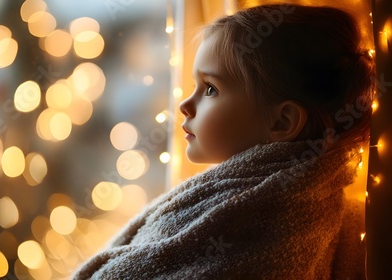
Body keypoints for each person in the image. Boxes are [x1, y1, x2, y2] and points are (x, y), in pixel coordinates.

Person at [73, 4, 373, 279]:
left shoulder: (263, 223)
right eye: (195, 85)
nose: (185, 105)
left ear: (282, 122)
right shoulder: (267, 195)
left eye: (211, 89)